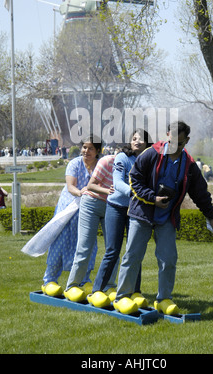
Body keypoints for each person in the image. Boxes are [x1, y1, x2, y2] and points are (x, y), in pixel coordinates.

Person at [113, 121, 213, 315]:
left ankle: (163, 299)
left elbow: (200, 192)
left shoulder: (189, 164)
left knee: (168, 259)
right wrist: (152, 198)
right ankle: (122, 297)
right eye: (171, 140)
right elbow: (134, 179)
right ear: (167, 135)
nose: (174, 146)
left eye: (179, 142)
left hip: (166, 218)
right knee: (132, 256)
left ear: (186, 141)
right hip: (142, 214)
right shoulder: (151, 153)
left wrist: (210, 216)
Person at [88, 129, 151, 310]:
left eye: (141, 139)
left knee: (134, 251)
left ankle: (134, 291)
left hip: (136, 210)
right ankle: (97, 290)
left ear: (147, 143)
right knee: (112, 251)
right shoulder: (122, 158)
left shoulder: (149, 161)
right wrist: (137, 193)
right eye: (134, 139)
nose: (137, 141)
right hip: (116, 207)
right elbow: (117, 182)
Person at [41, 136, 102, 297]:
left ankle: (84, 280)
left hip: (89, 209)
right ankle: (50, 280)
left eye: (90, 148)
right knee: (61, 242)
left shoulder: (100, 166)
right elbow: (70, 186)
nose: (86, 151)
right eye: (84, 147)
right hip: (69, 208)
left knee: (87, 243)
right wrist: (81, 192)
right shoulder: (75, 164)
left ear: (97, 151)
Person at [63, 154, 118, 305]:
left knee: (113, 248)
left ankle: (109, 285)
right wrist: (109, 191)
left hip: (111, 206)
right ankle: (72, 285)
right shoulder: (107, 161)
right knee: (85, 246)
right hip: (92, 203)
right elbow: (91, 185)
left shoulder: (135, 165)